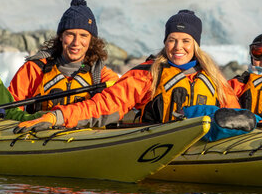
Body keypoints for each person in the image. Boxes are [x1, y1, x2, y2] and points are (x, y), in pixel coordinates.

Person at [15, 9, 242, 131]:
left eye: (185, 41)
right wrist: (59, 116)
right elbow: (104, 106)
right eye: (172, 40)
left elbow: (234, 114)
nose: (178, 47)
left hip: (204, 149)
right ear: (165, 42)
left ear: (195, 45)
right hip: (157, 147)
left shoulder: (214, 78)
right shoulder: (147, 74)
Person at [7, 0, 120, 112]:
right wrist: (35, 119)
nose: (76, 42)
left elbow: (119, 101)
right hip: (38, 129)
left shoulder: (101, 76)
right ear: (61, 36)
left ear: (91, 40)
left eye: (83, 35)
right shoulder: (35, 69)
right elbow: (11, 109)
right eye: (70, 34)